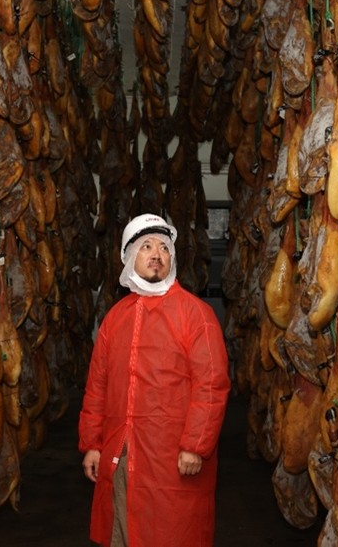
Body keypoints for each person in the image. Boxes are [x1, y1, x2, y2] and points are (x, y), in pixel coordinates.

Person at [79, 213, 231, 547]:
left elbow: (211, 386)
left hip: (174, 457)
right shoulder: (115, 318)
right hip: (123, 451)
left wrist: (195, 445)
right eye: (146, 247)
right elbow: (97, 386)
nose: (156, 254)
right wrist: (92, 444)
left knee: (172, 532)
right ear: (130, 257)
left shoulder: (196, 314)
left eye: (163, 248)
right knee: (124, 528)